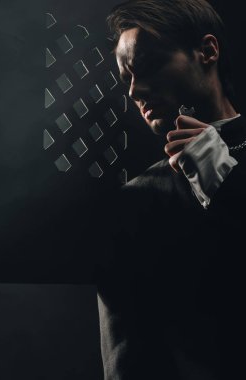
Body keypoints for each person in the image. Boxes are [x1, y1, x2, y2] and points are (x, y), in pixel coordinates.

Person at [95, 1, 246, 379]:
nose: (134, 90)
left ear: (207, 51)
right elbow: (128, 359)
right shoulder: (136, 201)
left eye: (147, 65)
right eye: (126, 77)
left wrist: (226, 183)